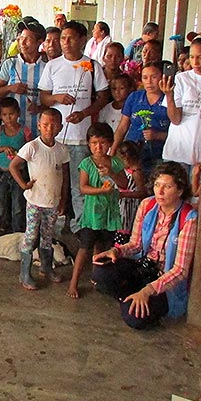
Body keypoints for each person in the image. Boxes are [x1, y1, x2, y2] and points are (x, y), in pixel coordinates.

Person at [93, 161, 198, 329]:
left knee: (134, 318)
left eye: (167, 186)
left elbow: (180, 270)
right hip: (142, 266)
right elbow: (135, 244)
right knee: (100, 273)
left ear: (180, 190)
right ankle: (133, 297)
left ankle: (135, 298)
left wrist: (148, 291)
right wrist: (115, 251)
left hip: (164, 280)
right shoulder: (148, 205)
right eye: (157, 185)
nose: (160, 191)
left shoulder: (188, 218)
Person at [39, 21, 111, 233]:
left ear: (82, 40)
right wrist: (56, 98)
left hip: (80, 137)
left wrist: (85, 113)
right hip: (55, 137)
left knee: (78, 185)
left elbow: (103, 95)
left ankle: (80, 226)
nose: (66, 43)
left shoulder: (92, 66)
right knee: (52, 182)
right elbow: (43, 97)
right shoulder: (53, 65)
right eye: (63, 38)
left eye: (70, 38)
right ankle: (48, 226)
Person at [9, 109, 69, 290]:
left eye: (53, 125)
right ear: (39, 126)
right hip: (35, 201)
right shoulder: (32, 147)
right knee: (31, 235)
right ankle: (24, 273)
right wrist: (23, 184)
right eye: (45, 125)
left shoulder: (62, 150)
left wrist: (63, 200)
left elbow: (65, 178)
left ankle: (46, 267)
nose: (49, 129)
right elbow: (14, 166)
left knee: (48, 236)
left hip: (53, 202)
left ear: (60, 127)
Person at [68, 123, 127, 299]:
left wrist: (112, 173)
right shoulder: (86, 163)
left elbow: (123, 183)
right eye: (94, 143)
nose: (98, 147)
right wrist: (101, 190)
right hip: (91, 214)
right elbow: (83, 188)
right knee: (84, 248)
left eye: (102, 143)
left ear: (109, 143)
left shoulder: (115, 162)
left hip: (110, 214)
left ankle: (98, 278)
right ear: (88, 144)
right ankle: (73, 283)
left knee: (104, 248)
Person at [162, 37, 201, 177]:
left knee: (198, 195)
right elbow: (176, 119)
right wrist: (169, 96)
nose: (195, 62)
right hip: (178, 151)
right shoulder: (181, 79)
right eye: (192, 57)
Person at [113, 63, 171, 175]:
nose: (149, 81)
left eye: (153, 77)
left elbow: (176, 132)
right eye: (145, 77)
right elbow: (122, 127)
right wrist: (113, 150)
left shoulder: (169, 99)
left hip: (158, 153)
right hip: (131, 153)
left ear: (162, 77)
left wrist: (157, 135)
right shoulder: (134, 97)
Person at [0, 19, 49, 140]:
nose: (22, 43)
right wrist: (10, 88)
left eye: (28, 39)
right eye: (21, 38)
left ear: (39, 41)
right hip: (11, 131)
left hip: (38, 130)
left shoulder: (47, 66)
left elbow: (54, 99)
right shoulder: (10, 63)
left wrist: (40, 108)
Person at [0, 97, 30, 234]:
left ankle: (18, 232)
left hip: (19, 174)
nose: (8, 118)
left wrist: (19, 155)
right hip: (2, 172)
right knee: (0, 204)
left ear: (18, 113)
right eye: (5, 115)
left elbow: (30, 153)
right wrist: (3, 148)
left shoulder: (24, 131)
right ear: (0, 116)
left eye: (11, 114)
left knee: (18, 205)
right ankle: (0, 230)